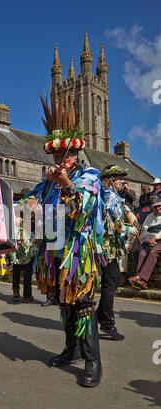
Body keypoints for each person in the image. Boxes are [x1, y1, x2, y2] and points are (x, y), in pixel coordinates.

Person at [19, 86, 106, 387]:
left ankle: (93, 360)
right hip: (54, 249)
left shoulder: (89, 177)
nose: (59, 157)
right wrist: (28, 203)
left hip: (78, 252)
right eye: (56, 152)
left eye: (64, 152)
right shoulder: (47, 182)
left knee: (82, 303)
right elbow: (28, 202)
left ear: (76, 152)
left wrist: (68, 184)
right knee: (64, 302)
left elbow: (85, 207)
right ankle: (71, 350)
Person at [96, 165, 139, 341]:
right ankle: (106, 321)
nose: (122, 181)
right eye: (119, 178)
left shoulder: (111, 196)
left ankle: (100, 315)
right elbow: (109, 226)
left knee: (111, 281)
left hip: (108, 247)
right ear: (111, 179)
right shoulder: (109, 197)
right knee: (111, 281)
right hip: (106, 248)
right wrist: (128, 231)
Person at [128, 195, 161, 289]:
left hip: (158, 239)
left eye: (160, 206)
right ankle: (140, 281)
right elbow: (144, 230)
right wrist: (148, 240)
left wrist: (155, 237)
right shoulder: (149, 216)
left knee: (153, 252)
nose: (158, 208)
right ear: (152, 208)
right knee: (142, 252)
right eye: (155, 206)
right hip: (149, 239)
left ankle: (142, 278)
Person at [11, 188, 36, 303]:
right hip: (27, 240)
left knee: (16, 266)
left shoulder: (15, 206)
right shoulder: (32, 206)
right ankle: (27, 296)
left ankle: (15, 290)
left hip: (17, 239)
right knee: (28, 269)